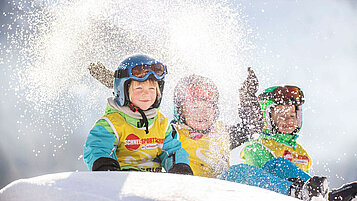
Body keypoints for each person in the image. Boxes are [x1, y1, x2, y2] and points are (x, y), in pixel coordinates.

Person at [223, 85, 356, 201]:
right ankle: (302, 193)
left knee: (281, 164)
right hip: (266, 195)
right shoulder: (258, 147)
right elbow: (258, 181)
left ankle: (324, 195)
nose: (289, 121)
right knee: (275, 164)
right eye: (282, 116)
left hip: (297, 195)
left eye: (292, 116)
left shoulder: (300, 152)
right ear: (267, 119)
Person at [83, 54, 193, 175]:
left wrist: (180, 167)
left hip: (153, 184)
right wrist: (105, 167)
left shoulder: (161, 123)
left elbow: (171, 151)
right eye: (139, 88)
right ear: (124, 91)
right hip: (120, 181)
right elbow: (98, 148)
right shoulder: (112, 124)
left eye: (152, 89)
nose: (146, 94)